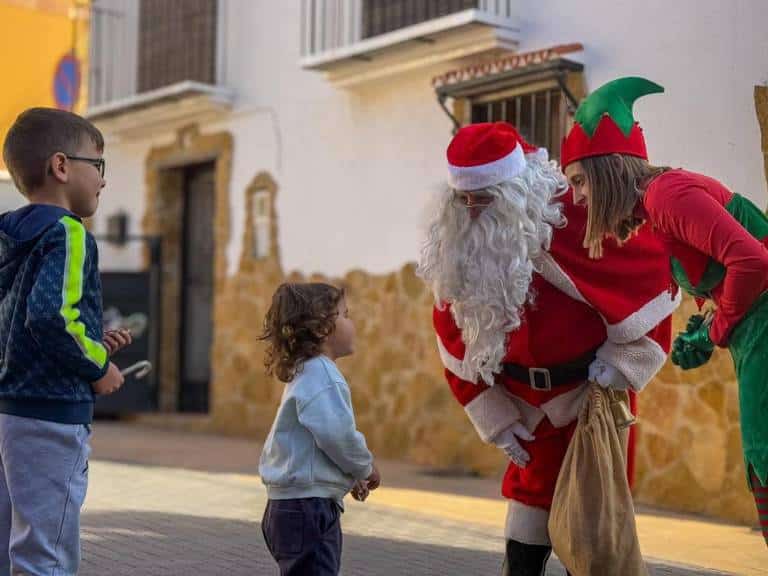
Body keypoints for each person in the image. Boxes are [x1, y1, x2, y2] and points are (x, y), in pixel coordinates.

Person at [417, 121, 678, 575]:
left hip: (590, 399)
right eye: (465, 200)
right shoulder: (459, 243)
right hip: (525, 411)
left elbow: (651, 286)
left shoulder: (576, 217)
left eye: (485, 199)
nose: (474, 212)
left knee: (597, 537)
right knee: (524, 538)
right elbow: (453, 334)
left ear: (515, 187)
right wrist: (492, 415)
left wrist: (621, 365)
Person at [561, 76, 768, 546]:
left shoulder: (666, 195)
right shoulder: (657, 206)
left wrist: (716, 328)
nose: (576, 197)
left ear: (607, 171)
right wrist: (707, 323)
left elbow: (753, 261)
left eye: (578, 181)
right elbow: (725, 272)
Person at [0, 107, 131, 576]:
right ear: (61, 166)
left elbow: (21, 324)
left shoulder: (7, 234)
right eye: (98, 166)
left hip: (7, 412)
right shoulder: (69, 232)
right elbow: (51, 317)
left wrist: (93, 344)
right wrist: (98, 367)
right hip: (49, 415)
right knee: (45, 553)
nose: (102, 180)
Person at [258, 282, 381, 575]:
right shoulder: (323, 375)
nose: (352, 323)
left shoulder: (307, 372)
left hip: (292, 506)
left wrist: (348, 477)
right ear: (324, 328)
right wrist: (365, 468)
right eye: (345, 315)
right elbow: (337, 436)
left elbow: (314, 446)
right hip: (307, 510)